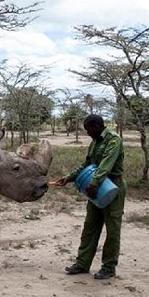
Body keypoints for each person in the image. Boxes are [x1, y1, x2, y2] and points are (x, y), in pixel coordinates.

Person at [54, 114, 126, 280]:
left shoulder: (114, 140)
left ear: (97, 126)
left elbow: (105, 166)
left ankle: (108, 268)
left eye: (88, 129)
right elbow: (87, 164)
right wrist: (69, 178)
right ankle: (82, 264)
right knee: (90, 227)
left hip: (112, 187)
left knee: (112, 230)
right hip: (96, 187)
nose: (87, 133)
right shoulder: (95, 142)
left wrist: (93, 184)